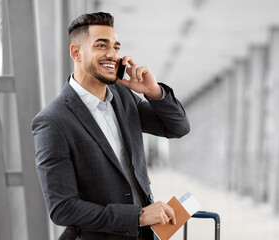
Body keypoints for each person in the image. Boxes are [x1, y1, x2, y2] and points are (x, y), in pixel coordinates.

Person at [32, 12, 190, 240]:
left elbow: (177, 128)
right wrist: (137, 216)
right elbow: (63, 208)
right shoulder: (52, 121)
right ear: (76, 52)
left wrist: (154, 92)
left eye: (116, 47)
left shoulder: (124, 97)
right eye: (101, 45)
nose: (112, 54)